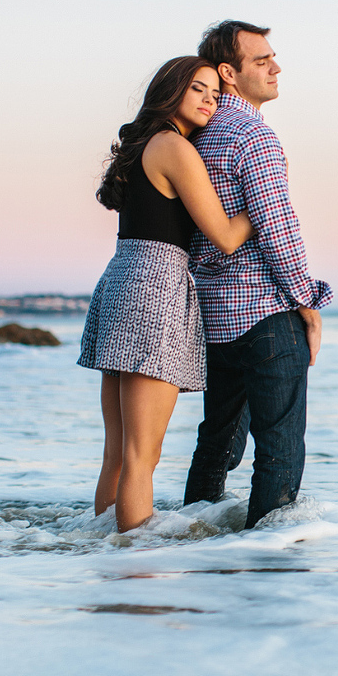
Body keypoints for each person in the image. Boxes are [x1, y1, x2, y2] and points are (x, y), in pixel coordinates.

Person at [78, 56, 255, 532]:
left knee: (118, 452)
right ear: (170, 90)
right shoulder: (174, 148)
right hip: (155, 290)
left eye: (216, 95)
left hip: (123, 281)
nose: (209, 100)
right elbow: (224, 234)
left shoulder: (141, 147)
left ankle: (106, 558)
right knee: (143, 454)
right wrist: (265, 202)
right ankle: (135, 574)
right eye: (198, 89)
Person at [183, 20, 333, 529]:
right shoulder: (253, 135)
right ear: (229, 72)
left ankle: (194, 543)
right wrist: (307, 302)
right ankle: (268, 572)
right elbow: (277, 229)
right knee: (279, 452)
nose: (276, 67)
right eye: (262, 60)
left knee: (216, 443)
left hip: (214, 319)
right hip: (266, 314)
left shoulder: (196, 137)